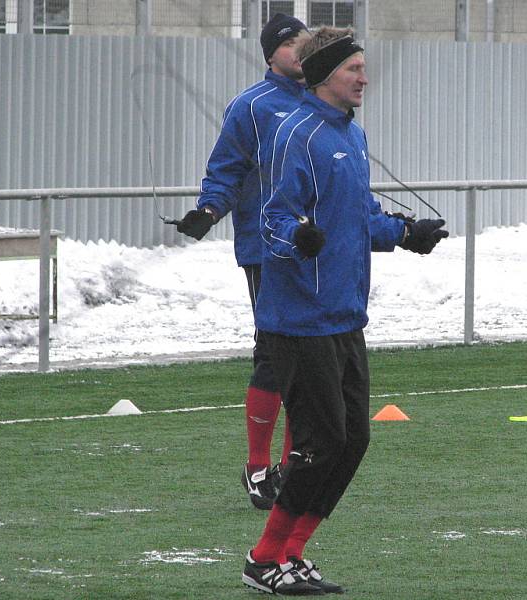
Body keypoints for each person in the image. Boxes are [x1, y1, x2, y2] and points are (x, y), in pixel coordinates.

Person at [241, 27, 449, 595]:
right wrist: (297, 240)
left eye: (364, 67)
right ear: (327, 73)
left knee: (353, 441)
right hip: (298, 320)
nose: (364, 77)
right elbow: (273, 220)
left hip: (344, 316)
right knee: (320, 444)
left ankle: (291, 554)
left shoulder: (350, 138)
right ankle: (264, 559)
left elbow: (357, 218)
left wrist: (406, 233)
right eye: (354, 68)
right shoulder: (295, 134)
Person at [176, 14, 310, 510]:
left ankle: (296, 462)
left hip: (320, 249)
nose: (300, 49)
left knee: (315, 357)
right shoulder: (251, 106)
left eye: (305, 41)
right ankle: (257, 468)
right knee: (276, 353)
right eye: (290, 43)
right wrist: (209, 210)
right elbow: (226, 170)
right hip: (268, 247)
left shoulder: (325, 101)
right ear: (271, 53)